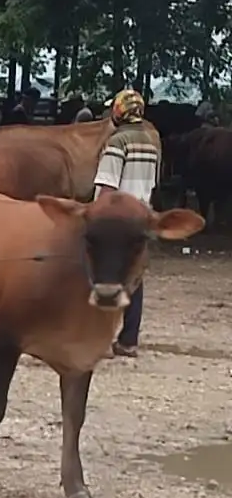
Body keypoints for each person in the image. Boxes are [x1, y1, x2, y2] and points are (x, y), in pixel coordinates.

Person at [94, 88, 162, 359]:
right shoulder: (150, 142)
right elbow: (153, 184)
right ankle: (129, 340)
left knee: (105, 278)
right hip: (141, 216)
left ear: (119, 111)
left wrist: (95, 216)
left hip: (116, 221)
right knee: (134, 279)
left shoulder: (118, 142)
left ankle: (100, 340)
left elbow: (107, 186)